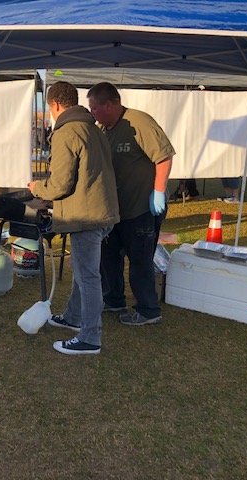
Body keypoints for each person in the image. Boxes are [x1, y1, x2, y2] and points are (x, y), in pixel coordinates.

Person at [29, 81, 119, 355]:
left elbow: (60, 184)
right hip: (102, 212)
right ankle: (73, 317)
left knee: (87, 276)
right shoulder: (92, 127)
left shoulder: (67, 132)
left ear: (55, 105)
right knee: (84, 272)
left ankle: (90, 338)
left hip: (86, 215)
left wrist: (37, 188)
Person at [87, 82, 174, 326]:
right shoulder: (104, 129)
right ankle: (114, 298)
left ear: (109, 104)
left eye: (94, 109)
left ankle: (148, 309)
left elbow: (164, 157)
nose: (92, 113)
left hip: (141, 209)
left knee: (139, 260)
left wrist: (158, 192)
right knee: (109, 256)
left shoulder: (139, 122)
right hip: (114, 210)